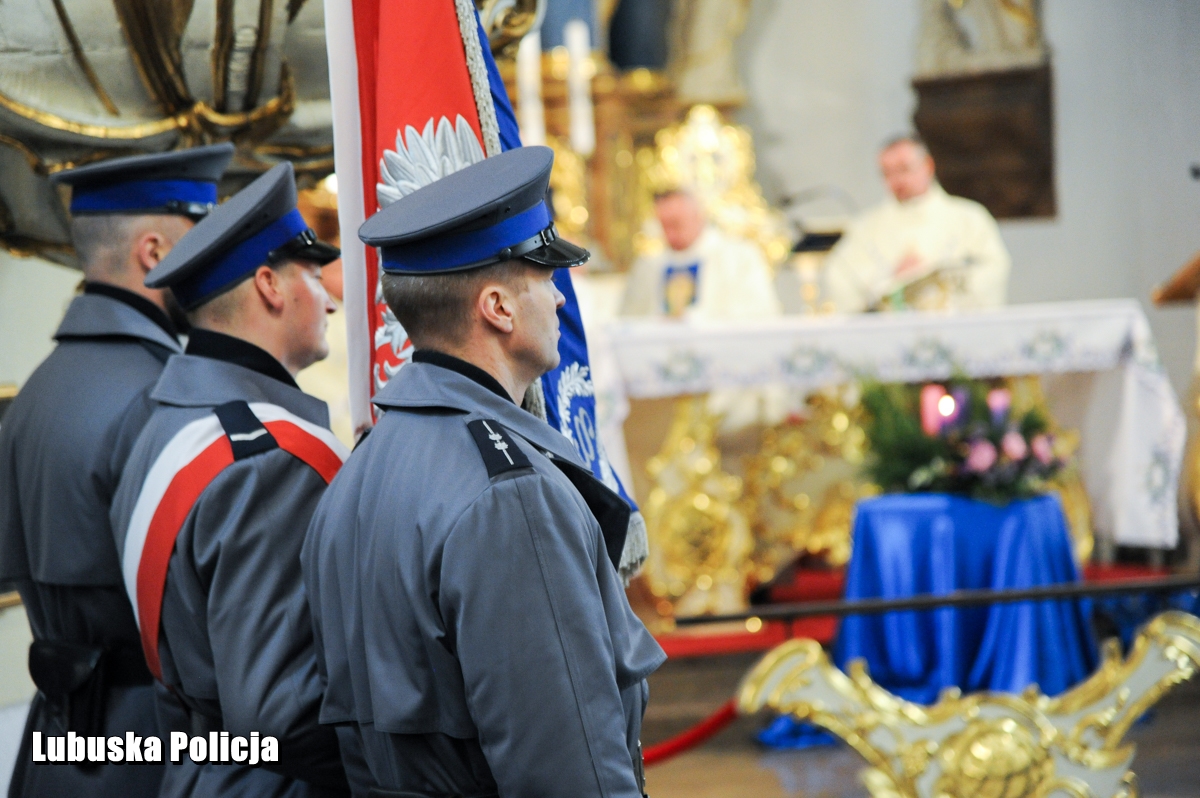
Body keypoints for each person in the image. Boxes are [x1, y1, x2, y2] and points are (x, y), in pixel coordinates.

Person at [303, 146, 666, 797]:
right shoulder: (511, 496)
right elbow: (566, 767)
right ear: (497, 307)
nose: (559, 299)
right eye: (545, 278)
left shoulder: (365, 463)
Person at [108, 162, 353, 797]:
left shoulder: (163, 425)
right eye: (311, 274)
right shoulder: (265, 462)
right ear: (269, 285)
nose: (329, 299)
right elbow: (286, 716)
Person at [0, 144, 233, 798]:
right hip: (151, 749)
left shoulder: (36, 391)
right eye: (199, 240)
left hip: (54, 744)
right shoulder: (161, 397)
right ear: (154, 252)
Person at [823, 135, 1011, 312]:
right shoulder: (865, 227)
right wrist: (888, 279)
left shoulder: (969, 218)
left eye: (904, 169)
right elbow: (840, 279)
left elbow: (993, 270)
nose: (897, 180)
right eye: (887, 173)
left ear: (928, 165)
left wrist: (934, 280)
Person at [619, 188, 781, 320]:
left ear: (697, 217)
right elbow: (628, 321)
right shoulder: (649, 265)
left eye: (676, 224)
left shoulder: (739, 257)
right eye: (664, 226)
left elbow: (760, 315)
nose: (670, 235)